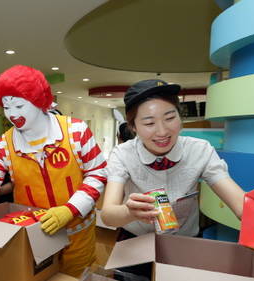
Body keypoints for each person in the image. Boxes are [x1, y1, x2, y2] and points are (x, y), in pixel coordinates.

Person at [0, 65, 107, 277]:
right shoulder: (2, 146)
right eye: (7, 107)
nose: (12, 115)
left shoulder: (76, 131)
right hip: (36, 234)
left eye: (18, 106)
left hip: (78, 235)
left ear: (38, 102)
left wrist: (70, 210)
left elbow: (98, 173)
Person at [101, 79, 245, 241]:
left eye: (170, 118)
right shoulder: (122, 154)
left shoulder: (199, 150)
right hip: (135, 238)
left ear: (180, 116)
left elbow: (241, 206)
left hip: (185, 241)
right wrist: (129, 212)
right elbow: (108, 215)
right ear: (133, 127)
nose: (162, 132)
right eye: (149, 123)